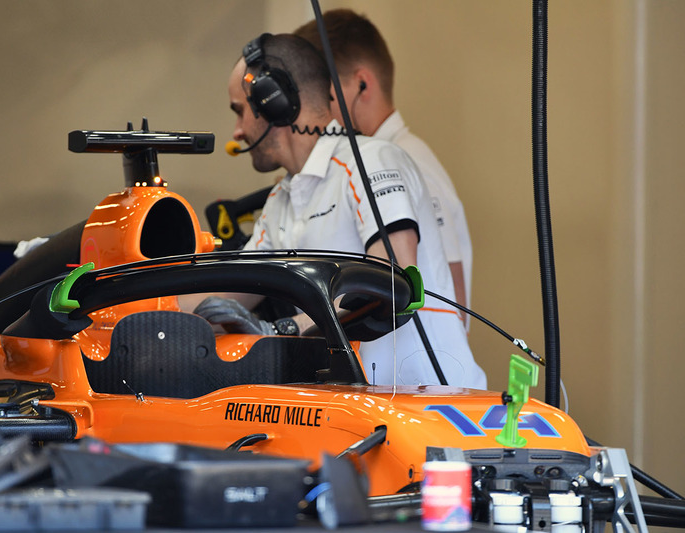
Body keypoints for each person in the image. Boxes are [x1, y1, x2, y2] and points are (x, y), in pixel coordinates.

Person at [193, 32, 485, 389]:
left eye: (239, 111)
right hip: (361, 407)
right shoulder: (282, 200)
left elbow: (390, 280)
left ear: (275, 103)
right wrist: (135, 308)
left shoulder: (371, 160)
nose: (237, 132)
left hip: (429, 402)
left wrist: (284, 329)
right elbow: (225, 294)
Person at [293, 9, 473, 328]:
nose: (314, 107)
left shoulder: (405, 162)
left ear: (362, 83)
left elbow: (454, 302)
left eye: (323, 94)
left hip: (417, 374)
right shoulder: (354, 163)